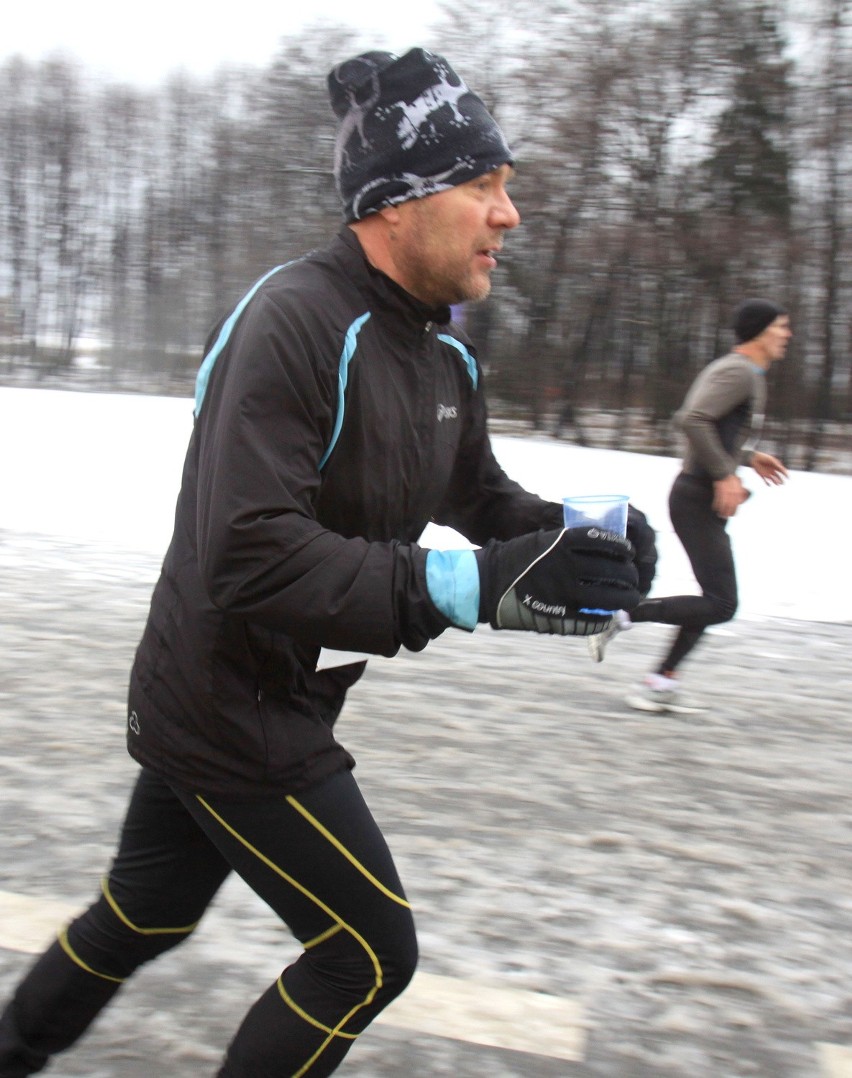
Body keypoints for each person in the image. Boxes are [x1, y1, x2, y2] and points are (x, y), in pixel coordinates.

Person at [0, 48, 657, 1078]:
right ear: (398, 201)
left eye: (508, 188)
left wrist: (588, 532)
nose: (509, 215)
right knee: (363, 952)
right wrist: (469, 586)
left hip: (269, 691)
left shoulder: (439, 349)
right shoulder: (293, 324)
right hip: (230, 702)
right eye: (483, 185)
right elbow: (245, 552)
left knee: (145, 910)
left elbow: (476, 491)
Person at [587, 298, 791, 714]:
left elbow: (717, 429)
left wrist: (749, 457)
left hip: (699, 496)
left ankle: (661, 679)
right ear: (760, 331)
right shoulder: (738, 372)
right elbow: (693, 419)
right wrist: (724, 474)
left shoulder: (745, 372)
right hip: (697, 496)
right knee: (721, 603)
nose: (787, 334)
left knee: (713, 599)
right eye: (781, 327)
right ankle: (624, 617)